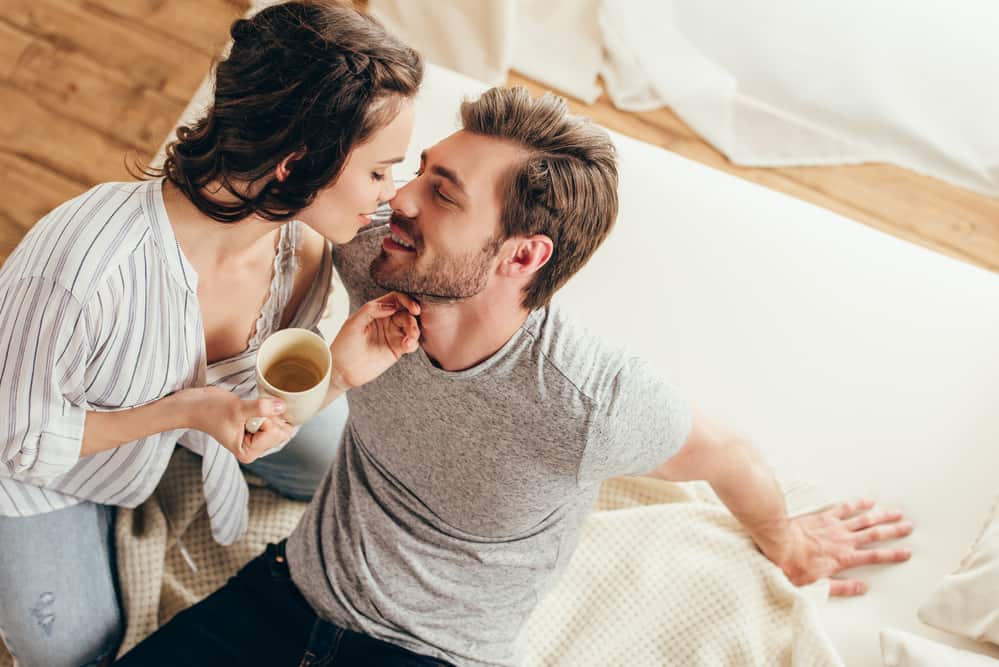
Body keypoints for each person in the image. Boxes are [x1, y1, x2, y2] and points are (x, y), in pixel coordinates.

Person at [117, 86, 914, 667]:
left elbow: (724, 453)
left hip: (429, 654)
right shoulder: (374, 252)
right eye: (419, 171)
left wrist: (788, 541)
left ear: (522, 254)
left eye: (439, 193)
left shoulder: (588, 398)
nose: (399, 199)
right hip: (288, 588)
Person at [0, 2, 424, 666]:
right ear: (296, 163)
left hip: (172, 429)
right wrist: (188, 411)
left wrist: (336, 372)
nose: (392, 192)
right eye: (378, 170)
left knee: (341, 456)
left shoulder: (302, 250)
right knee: (74, 647)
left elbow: (263, 395)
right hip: (35, 465)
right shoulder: (85, 271)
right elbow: (17, 440)